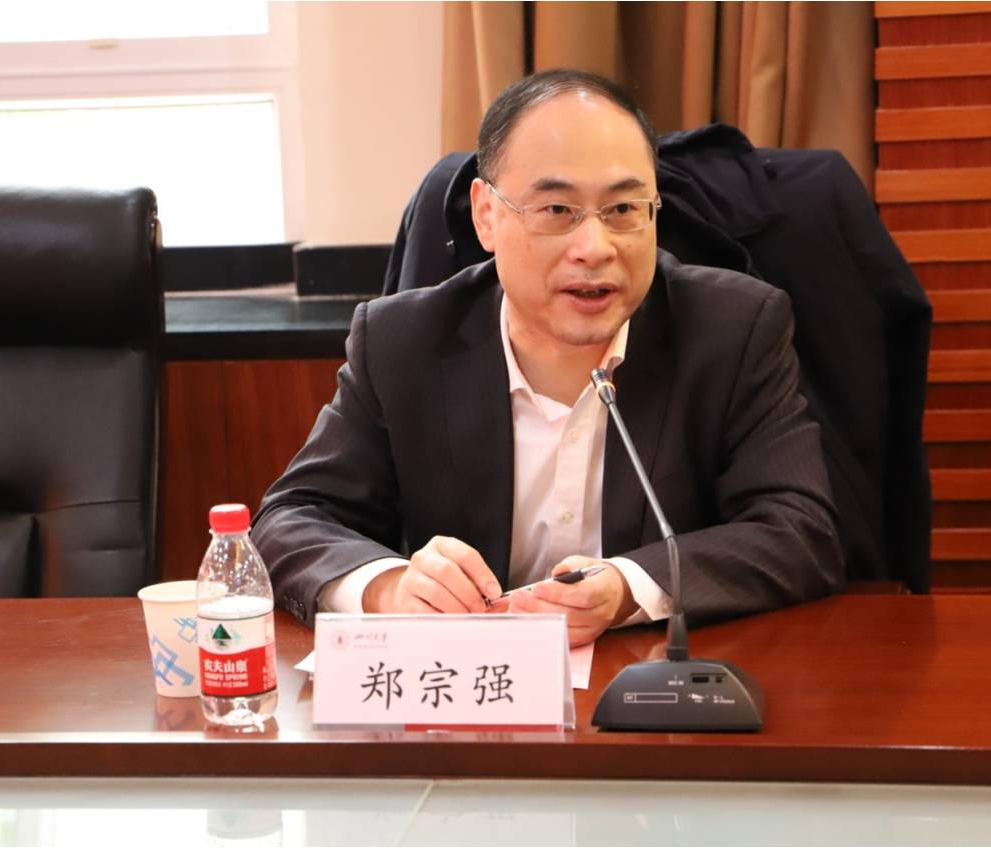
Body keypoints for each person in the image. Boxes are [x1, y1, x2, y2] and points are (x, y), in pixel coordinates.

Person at [253, 69, 843, 646]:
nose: (595, 248)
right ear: (486, 215)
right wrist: (390, 587)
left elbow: (799, 529)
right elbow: (290, 519)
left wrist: (630, 587)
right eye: (558, 211)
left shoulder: (732, 329)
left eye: (624, 209)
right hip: (467, 692)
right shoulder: (402, 341)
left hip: (642, 685)